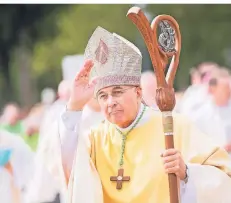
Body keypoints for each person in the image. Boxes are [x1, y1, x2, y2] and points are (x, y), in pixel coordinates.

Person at [59, 27, 231, 203]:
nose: (110, 101)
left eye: (117, 92)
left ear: (138, 93)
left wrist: (186, 172)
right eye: (103, 96)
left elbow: (224, 177)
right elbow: (71, 173)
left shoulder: (173, 127)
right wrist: (74, 106)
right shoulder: (95, 139)